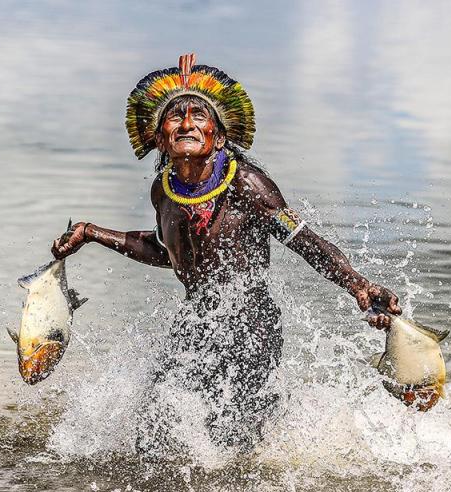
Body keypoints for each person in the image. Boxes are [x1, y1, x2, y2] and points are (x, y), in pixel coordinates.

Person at [51, 54, 401, 452]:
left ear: (218, 136)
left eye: (198, 115)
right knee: (153, 427)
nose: (186, 124)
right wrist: (92, 233)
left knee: (233, 437)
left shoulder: (249, 187)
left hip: (251, 326)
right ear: (160, 140)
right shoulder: (163, 191)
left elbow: (303, 241)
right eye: (175, 118)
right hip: (197, 321)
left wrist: (358, 284)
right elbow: (169, 252)